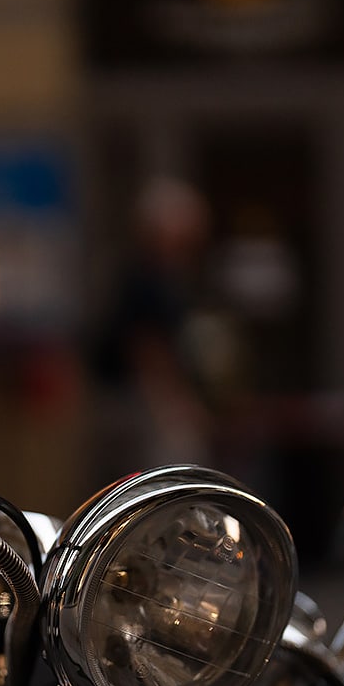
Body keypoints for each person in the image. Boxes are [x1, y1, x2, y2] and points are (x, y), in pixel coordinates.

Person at [90, 176, 214, 481]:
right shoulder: (149, 282)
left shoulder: (160, 277)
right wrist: (173, 406)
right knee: (159, 484)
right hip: (141, 403)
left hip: (138, 400)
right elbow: (147, 349)